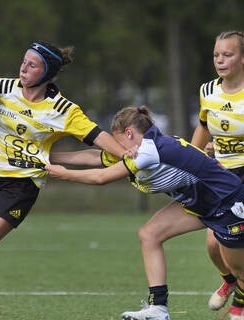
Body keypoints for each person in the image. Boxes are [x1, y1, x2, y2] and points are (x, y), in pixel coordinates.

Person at [0, 41, 134, 320]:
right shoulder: (0, 87)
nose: (23, 68)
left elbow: (99, 137)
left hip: (21, 186)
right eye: (23, 61)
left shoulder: (63, 110)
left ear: (46, 73)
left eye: (32, 65)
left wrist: (129, 154)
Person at [46, 105, 244, 320]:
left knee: (239, 270)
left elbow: (101, 178)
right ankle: (158, 309)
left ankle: (239, 305)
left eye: (116, 140)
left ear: (129, 133)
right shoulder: (135, 149)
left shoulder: (149, 150)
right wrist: (48, 156)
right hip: (201, 203)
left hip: (228, 201)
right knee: (150, 234)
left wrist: (66, 175)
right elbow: (95, 157)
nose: (114, 147)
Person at [191, 30, 244, 319]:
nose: (220, 60)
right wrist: (192, 157)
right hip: (220, 175)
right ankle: (230, 281)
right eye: (216, 55)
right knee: (214, 245)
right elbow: (203, 126)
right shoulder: (207, 91)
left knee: (232, 243)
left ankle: (240, 302)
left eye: (228, 54)